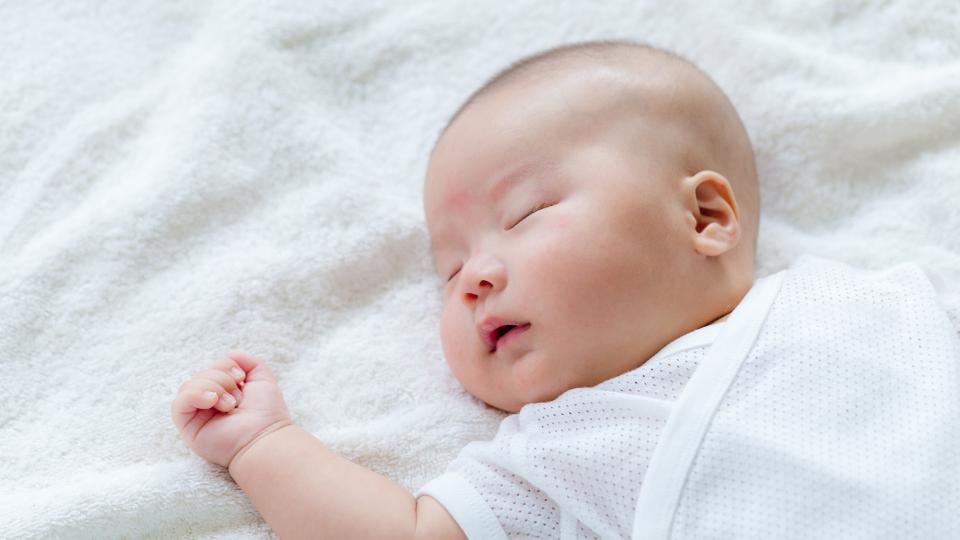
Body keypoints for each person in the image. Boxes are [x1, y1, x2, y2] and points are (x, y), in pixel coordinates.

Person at [170, 40, 960, 539]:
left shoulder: (876, 299)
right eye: (449, 272)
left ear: (706, 215)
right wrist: (262, 447)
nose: (475, 276)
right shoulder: (563, 448)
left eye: (528, 212)